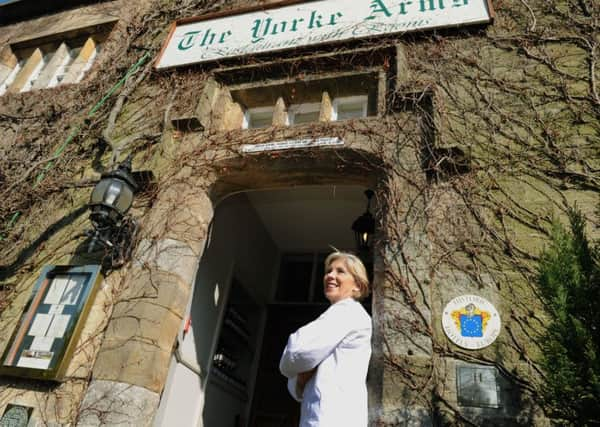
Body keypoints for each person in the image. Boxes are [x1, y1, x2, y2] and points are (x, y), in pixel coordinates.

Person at [279, 251, 372, 427]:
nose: (330, 275)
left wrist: (298, 375)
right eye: (329, 271)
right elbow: (299, 376)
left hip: (330, 418)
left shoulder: (347, 313)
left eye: (340, 271)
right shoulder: (342, 315)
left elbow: (296, 353)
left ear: (358, 286)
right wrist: (300, 377)